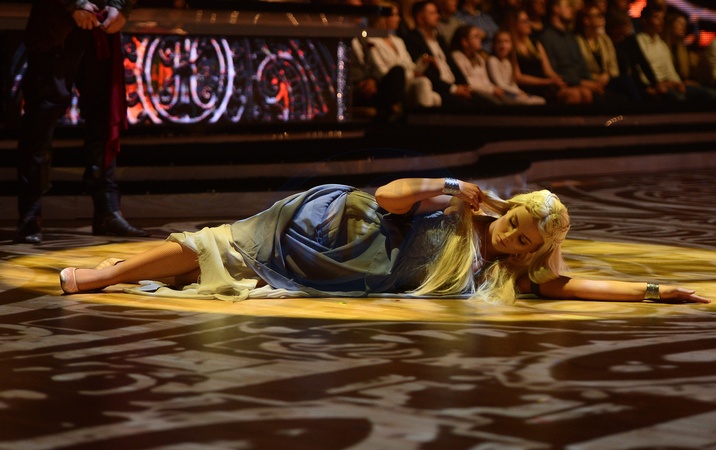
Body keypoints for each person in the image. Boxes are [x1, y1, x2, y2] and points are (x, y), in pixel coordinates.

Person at [59, 178, 710, 304]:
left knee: (225, 273)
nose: (511, 233)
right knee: (217, 247)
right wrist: (447, 184)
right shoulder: (464, 205)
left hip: (345, 274)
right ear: (509, 209)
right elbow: (389, 196)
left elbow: (570, 285)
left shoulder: (513, 270)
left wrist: (654, 291)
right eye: (515, 219)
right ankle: (100, 277)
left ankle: (127, 268)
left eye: (524, 238)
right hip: (335, 225)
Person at [16, 0, 149, 244]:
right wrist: (75, 4)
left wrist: (120, 7)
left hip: (101, 30)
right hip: (55, 27)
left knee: (103, 118)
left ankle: (108, 211)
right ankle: (30, 216)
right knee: (40, 122)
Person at [352, 0, 441, 113]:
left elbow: (409, 65)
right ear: (383, 18)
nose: (398, 19)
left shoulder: (398, 41)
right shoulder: (371, 40)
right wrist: (411, 74)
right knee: (419, 81)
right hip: (387, 84)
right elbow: (381, 70)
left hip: (405, 81)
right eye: (394, 15)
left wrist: (422, 63)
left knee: (436, 96)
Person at [404, 1, 485, 108]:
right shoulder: (412, 40)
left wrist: (465, 86)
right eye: (432, 13)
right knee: (471, 109)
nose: (438, 16)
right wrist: (453, 89)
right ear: (420, 18)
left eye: (437, 12)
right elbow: (425, 73)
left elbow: (452, 65)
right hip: (440, 89)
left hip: (455, 86)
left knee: (488, 106)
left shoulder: (439, 38)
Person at [505, 8, 590, 103]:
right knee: (574, 95)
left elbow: (548, 70)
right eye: (525, 21)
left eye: (529, 20)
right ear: (515, 24)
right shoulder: (511, 47)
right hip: (529, 88)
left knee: (585, 93)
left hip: (545, 84)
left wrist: (558, 80)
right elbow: (518, 77)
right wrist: (546, 82)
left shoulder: (535, 43)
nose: (529, 24)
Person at [539, 0, 605, 103]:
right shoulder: (546, 37)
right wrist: (580, 82)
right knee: (582, 94)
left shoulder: (570, 36)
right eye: (568, 6)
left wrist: (591, 81)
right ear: (556, 9)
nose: (572, 9)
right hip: (562, 85)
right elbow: (553, 71)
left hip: (581, 82)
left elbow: (582, 64)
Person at [487, 29, 547, 104]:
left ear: (511, 45)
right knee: (532, 102)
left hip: (512, 93)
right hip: (502, 94)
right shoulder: (492, 60)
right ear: (494, 45)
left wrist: (519, 91)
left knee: (540, 100)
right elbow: (500, 84)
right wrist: (517, 92)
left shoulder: (508, 62)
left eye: (506, 42)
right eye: (499, 42)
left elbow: (512, 83)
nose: (503, 46)